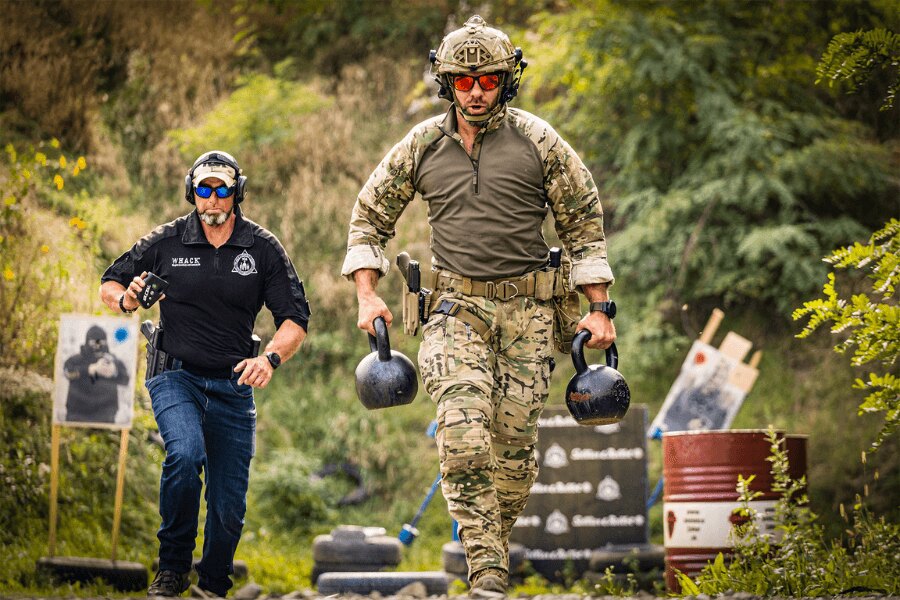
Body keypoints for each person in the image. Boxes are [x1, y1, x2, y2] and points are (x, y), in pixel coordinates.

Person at [341, 15, 616, 596]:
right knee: (464, 441)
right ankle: (488, 575)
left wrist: (597, 310)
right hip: (453, 313)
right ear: (446, 83)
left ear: (506, 80)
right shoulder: (421, 145)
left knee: (513, 456)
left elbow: (586, 230)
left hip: (531, 317)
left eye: (487, 79)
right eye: (463, 81)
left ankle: (492, 546)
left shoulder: (540, 142)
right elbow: (368, 220)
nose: (475, 91)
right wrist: (368, 295)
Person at [100, 151, 311, 597]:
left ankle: (213, 584)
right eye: (204, 189)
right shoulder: (167, 240)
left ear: (237, 194)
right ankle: (172, 569)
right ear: (191, 192)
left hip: (234, 386)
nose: (213, 199)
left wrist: (268, 359)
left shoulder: (262, 248)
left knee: (228, 505)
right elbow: (110, 283)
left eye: (222, 190)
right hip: (175, 376)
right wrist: (128, 301)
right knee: (184, 454)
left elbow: (295, 320)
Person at [62, 325, 129, 424]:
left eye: (101, 343)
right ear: (87, 342)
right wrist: (89, 369)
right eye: (94, 343)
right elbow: (68, 372)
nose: (98, 347)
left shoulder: (113, 361)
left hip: (105, 416)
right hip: (78, 415)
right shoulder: (76, 360)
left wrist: (114, 371)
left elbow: (125, 379)